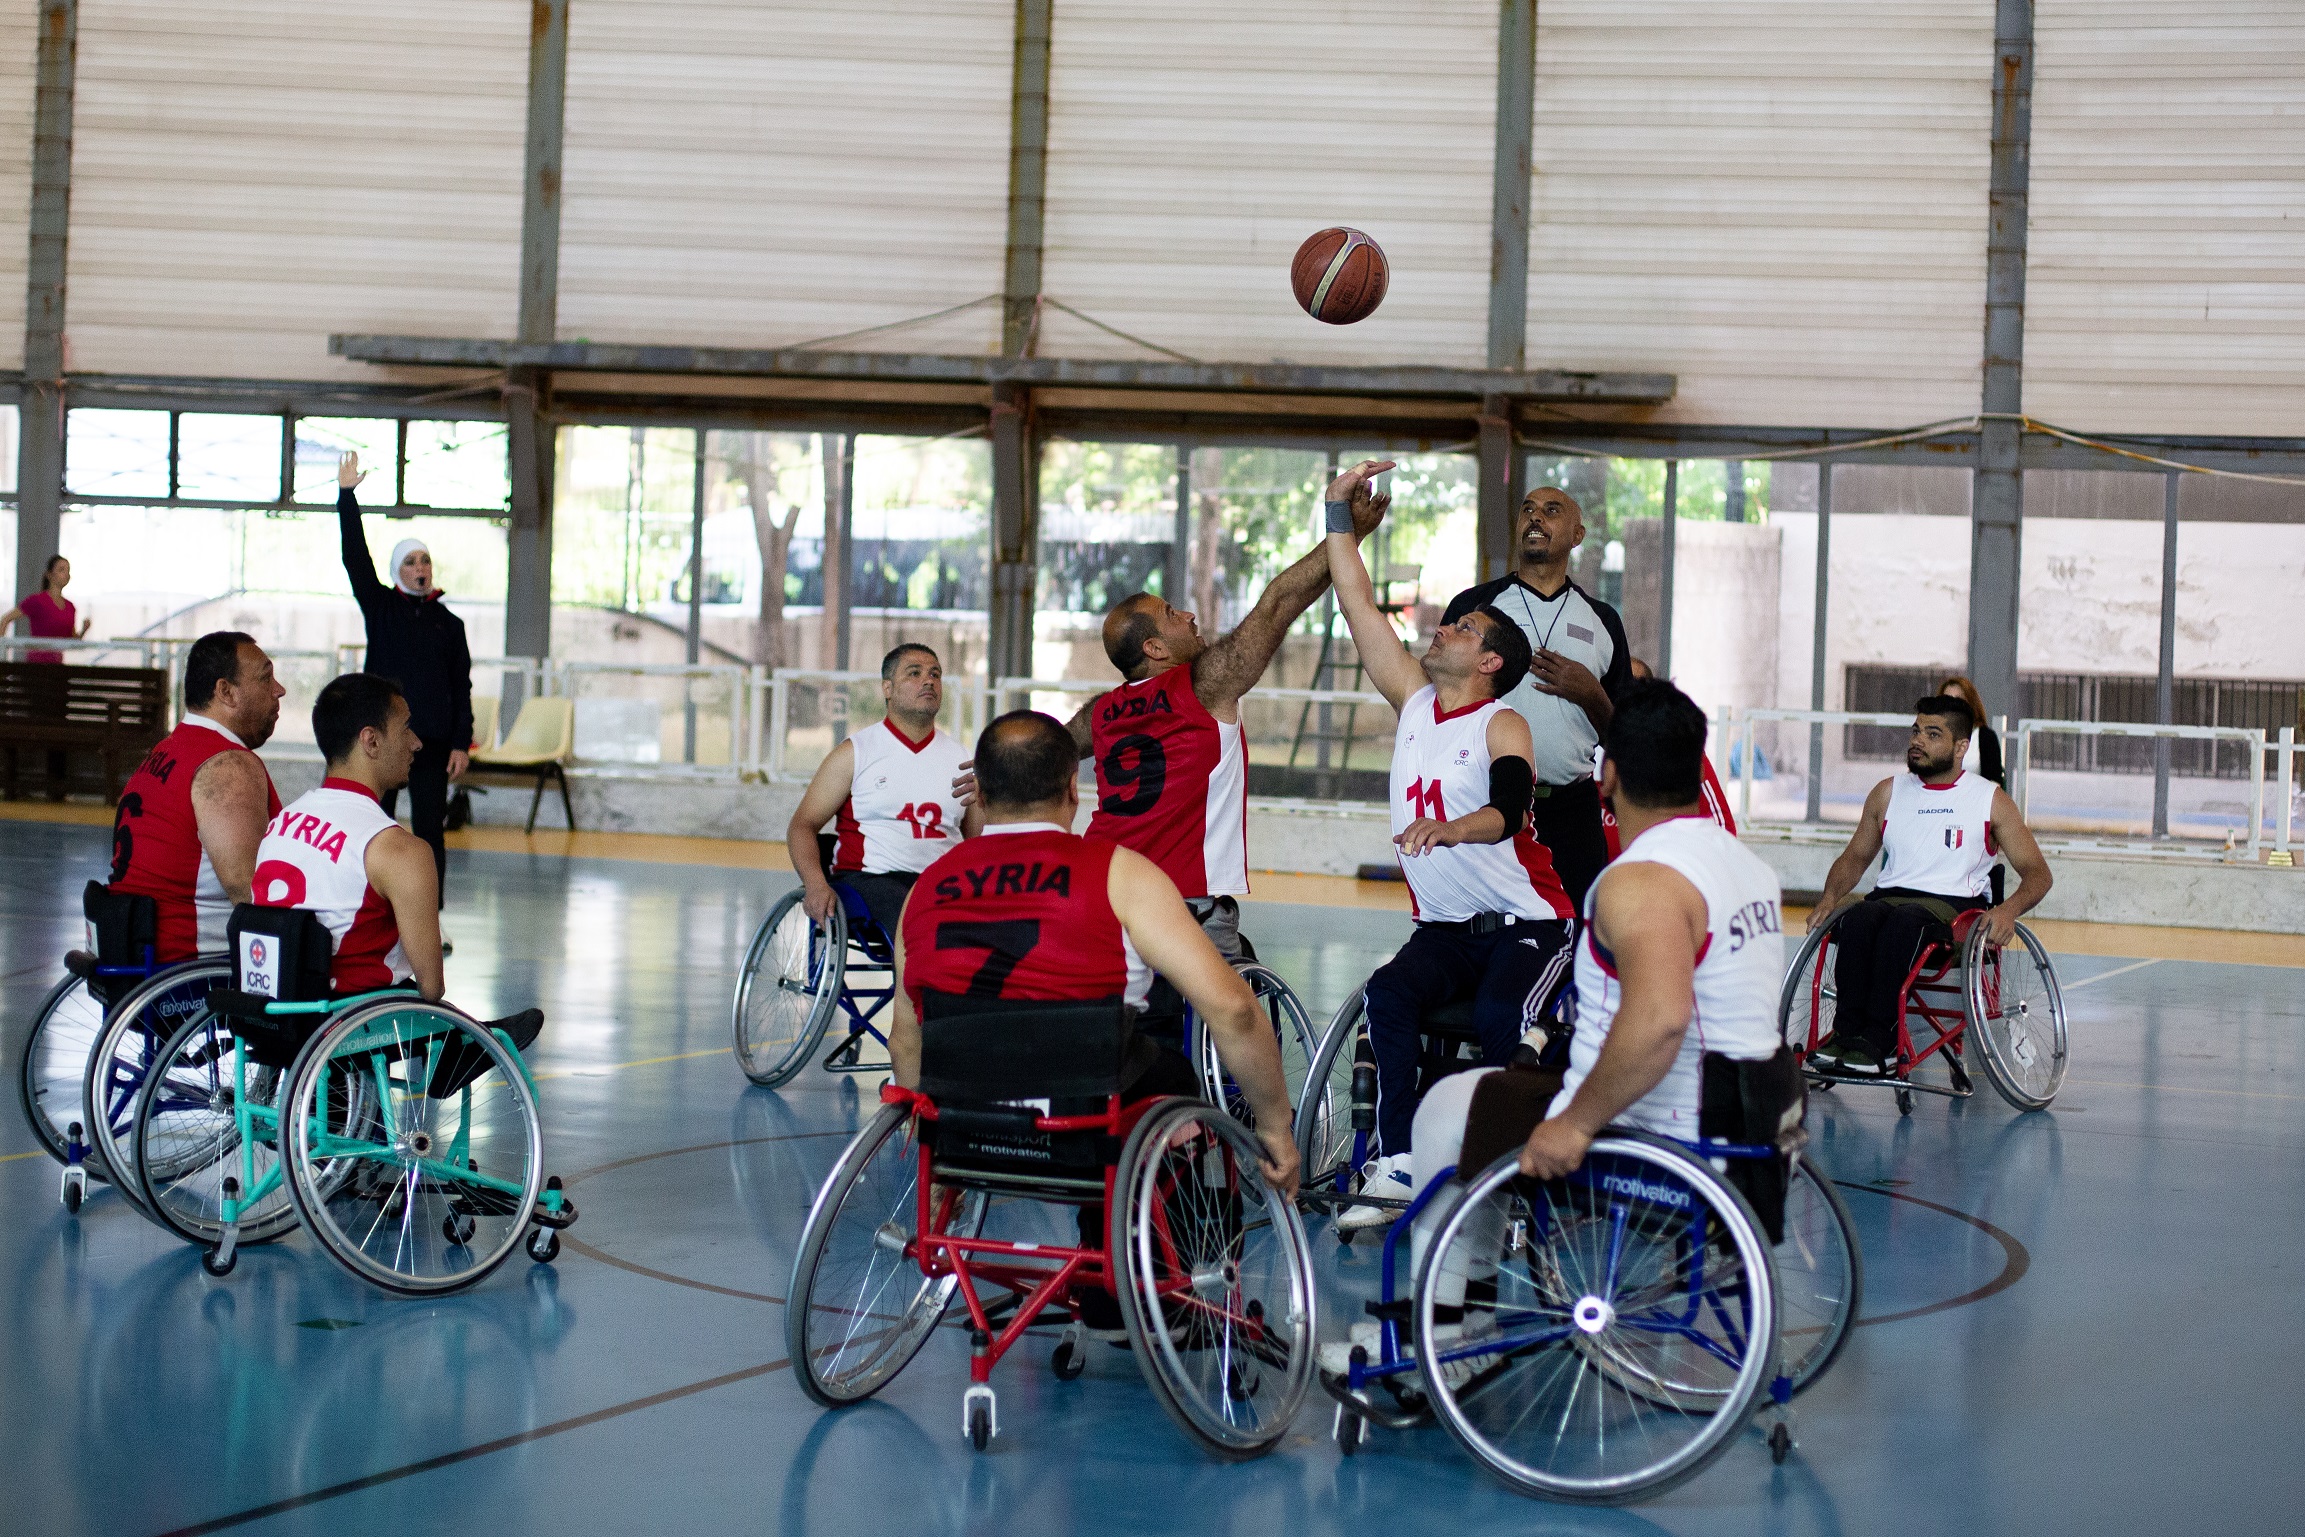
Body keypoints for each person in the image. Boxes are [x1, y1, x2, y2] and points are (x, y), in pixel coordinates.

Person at [1325, 680, 1796, 1368]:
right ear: (1694, 765)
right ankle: (1464, 1316)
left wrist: (1573, 1123)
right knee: (1488, 1096)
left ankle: (1443, 1332)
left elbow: (1661, 1020)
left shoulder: (1639, 882)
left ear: (1606, 775)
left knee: (1445, 1112)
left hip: (1663, 1134)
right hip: (1751, 1121)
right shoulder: (1744, 865)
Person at [889, 710, 1298, 1196]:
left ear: (979, 794)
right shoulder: (1122, 875)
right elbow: (1232, 1011)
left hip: (971, 1127)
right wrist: (1275, 1126)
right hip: (1080, 1127)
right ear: (1072, 789)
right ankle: (1161, 1255)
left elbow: (905, 1041)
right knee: (1168, 1070)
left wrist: (938, 1152)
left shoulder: (924, 890)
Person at [1320, 469, 1576, 1230]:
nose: (1443, 628)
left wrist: (1450, 828)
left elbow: (1507, 809)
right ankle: (1398, 1158)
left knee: (1503, 1015)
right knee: (1388, 995)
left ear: (1490, 660)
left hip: (1527, 920)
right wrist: (1337, 513)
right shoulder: (1412, 701)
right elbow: (1356, 603)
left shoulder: (1501, 725)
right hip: (1444, 930)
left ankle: (1509, 1174)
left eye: (1462, 629)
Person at [1030, 460, 1393, 960]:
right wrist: (1341, 529)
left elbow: (1046, 745)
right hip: (1182, 906)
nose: (1189, 614)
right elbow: (1278, 604)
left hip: (1105, 888)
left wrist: (989, 771)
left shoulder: (1101, 713)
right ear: (1155, 649)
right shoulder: (1201, 684)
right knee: (1239, 1028)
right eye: (1171, 614)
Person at [1805, 693, 2053, 1075]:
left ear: (1960, 747)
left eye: (1932, 734)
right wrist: (1829, 897)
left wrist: (2008, 910)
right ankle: (1846, 1032)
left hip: (1952, 909)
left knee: (1902, 924)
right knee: (1857, 919)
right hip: (1889, 899)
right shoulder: (1888, 792)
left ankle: (1880, 1041)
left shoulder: (1990, 800)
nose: (1917, 740)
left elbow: (2039, 874)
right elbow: (1855, 857)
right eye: (1916, 730)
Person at [1440, 485, 1632, 909]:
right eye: (1527, 509)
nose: (1535, 517)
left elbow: (1626, 736)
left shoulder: (1602, 620)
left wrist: (1590, 693)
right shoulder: (1475, 608)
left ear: (1577, 535)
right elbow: (1439, 702)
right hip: (1484, 804)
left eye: (1551, 510)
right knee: (1485, 936)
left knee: (1577, 939)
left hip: (1571, 811)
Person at [337, 452, 473, 923]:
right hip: (383, 741)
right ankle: (369, 914)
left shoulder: (449, 625)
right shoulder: (381, 608)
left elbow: (462, 685)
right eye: (412, 561)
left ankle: (426, 920)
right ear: (399, 569)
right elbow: (356, 558)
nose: (421, 568)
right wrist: (347, 497)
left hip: (432, 745)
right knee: (373, 826)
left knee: (429, 832)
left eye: (426, 561)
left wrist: (461, 741)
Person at [250, 674, 444, 1000]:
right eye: (405, 728)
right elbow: (432, 988)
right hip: (353, 1027)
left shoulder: (280, 824)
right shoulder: (399, 850)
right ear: (371, 741)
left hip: (273, 1018)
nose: (416, 742)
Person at [107, 632, 285, 962]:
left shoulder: (167, 750)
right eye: (266, 678)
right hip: (189, 971)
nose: (279, 690)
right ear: (226, 692)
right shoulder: (227, 764)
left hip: (131, 950)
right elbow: (250, 892)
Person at [786, 643, 978, 940]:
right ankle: (914, 986)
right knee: (919, 917)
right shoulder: (856, 753)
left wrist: (988, 799)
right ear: (887, 689)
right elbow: (802, 826)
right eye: (914, 673)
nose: (928, 680)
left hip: (942, 884)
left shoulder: (962, 759)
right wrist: (815, 885)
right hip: (870, 881)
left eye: (935, 674)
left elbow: (977, 842)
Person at [1600, 656, 1736, 855]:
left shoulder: (1678, 749)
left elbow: (1723, 827)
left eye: (1637, 694)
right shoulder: (1581, 754)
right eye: (1618, 692)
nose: (1628, 704)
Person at [2, 555, 91, 664]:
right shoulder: (37, 600)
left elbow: (71, 640)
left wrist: (83, 630)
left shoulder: (70, 607)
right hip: (36, 665)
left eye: (68, 570)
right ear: (49, 575)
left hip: (57, 666)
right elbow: (5, 619)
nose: (66, 574)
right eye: (61, 570)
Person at [1937, 673, 2005, 784]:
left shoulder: (1985, 737)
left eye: (1959, 699)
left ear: (1971, 703)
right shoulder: (1932, 734)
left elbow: (1994, 782)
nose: (1953, 705)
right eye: (1947, 699)